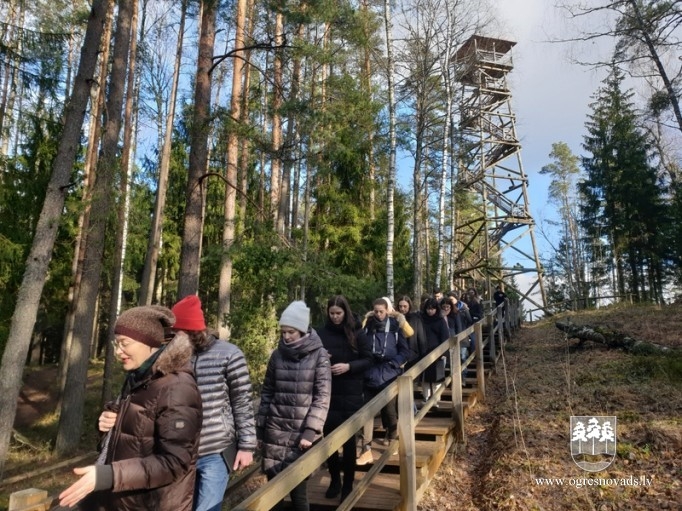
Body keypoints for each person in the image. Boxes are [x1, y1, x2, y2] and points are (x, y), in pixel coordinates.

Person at [58, 306, 202, 511]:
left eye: (124, 343)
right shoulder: (138, 377)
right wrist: (107, 424)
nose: (118, 351)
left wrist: (110, 475)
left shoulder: (177, 388)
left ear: (149, 342)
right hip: (122, 501)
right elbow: (132, 437)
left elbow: (175, 462)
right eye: (116, 344)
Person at [171, 295, 256, 511]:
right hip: (180, 453)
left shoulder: (230, 354)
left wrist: (246, 446)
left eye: (177, 332)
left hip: (215, 451)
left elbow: (242, 403)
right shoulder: (174, 356)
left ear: (190, 330)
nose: (172, 337)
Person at [256, 300, 331, 511]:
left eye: (291, 332)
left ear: (302, 330)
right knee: (273, 494)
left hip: (302, 435)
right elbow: (267, 393)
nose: (286, 336)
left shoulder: (320, 356)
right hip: (275, 431)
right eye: (283, 332)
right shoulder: (277, 356)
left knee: (299, 493)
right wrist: (260, 430)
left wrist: (311, 431)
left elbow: (322, 396)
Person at [318, 295, 373, 501]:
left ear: (345, 312)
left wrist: (349, 366)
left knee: (349, 443)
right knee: (330, 441)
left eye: (338, 313)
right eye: (331, 313)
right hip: (328, 393)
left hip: (350, 392)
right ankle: (334, 480)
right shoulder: (320, 333)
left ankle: (348, 483)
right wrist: (322, 358)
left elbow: (369, 359)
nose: (335, 317)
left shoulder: (358, 332)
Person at [358, 298, 411, 462]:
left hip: (389, 373)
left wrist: (395, 363)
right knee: (366, 410)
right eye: (376, 311)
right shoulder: (367, 327)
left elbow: (405, 350)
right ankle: (365, 448)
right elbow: (360, 347)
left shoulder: (395, 327)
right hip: (370, 372)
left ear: (387, 311)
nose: (379, 314)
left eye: (381, 311)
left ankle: (393, 437)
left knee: (389, 410)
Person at [420, 298, 450, 401]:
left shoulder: (440, 320)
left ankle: (436, 399)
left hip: (437, 352)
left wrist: (444, 352)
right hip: (424, 351)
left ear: (436, 309)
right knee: (425, 378)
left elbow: (445, 337)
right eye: (428, 309)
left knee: (437, 377)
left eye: (432, 309)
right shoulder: (422, 320)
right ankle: (426, 398)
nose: (430, 311)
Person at [396, 295, 428, 369]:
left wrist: (423, 355)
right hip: (399, 354)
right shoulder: (395, 319)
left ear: (409, 306)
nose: (402, 309)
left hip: (413, 354)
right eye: (400, 306)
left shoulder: (416, 319)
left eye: (405, 306)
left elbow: (421, 338)